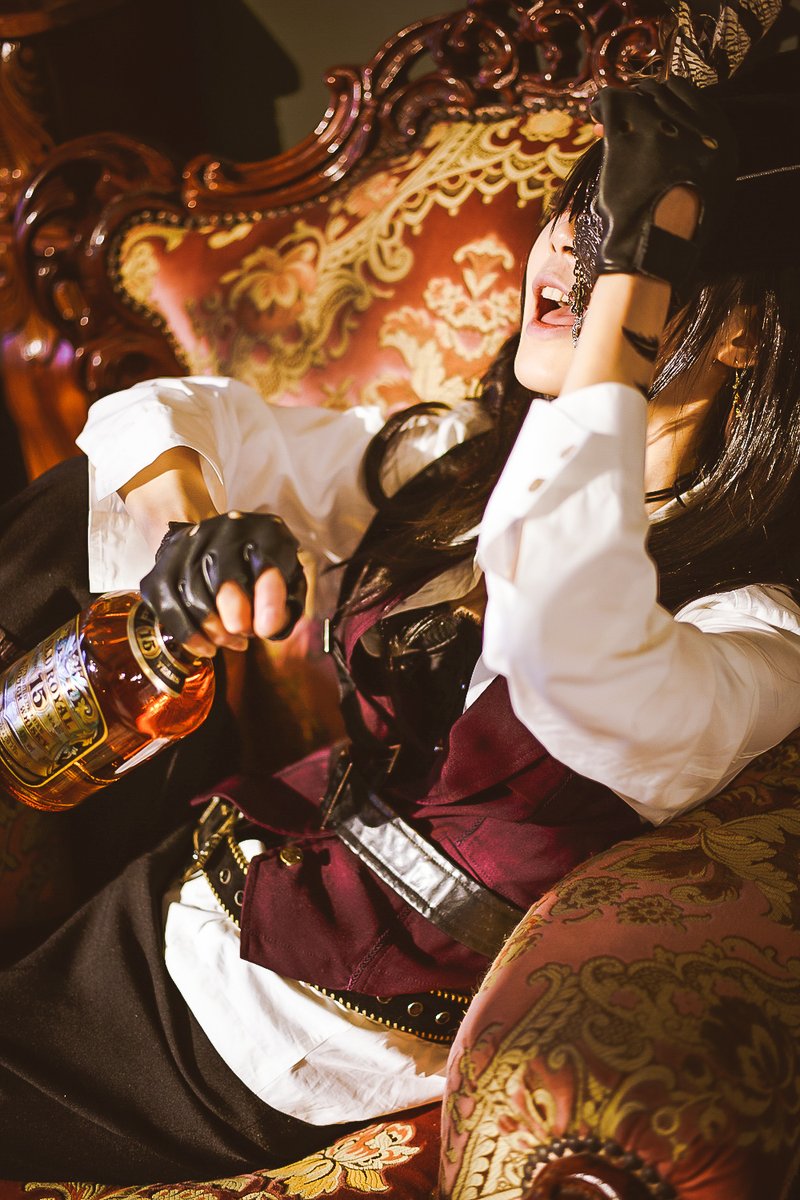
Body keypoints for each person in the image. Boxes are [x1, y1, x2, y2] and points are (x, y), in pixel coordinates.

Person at [1, 56, 800, 1184]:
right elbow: (161, 417)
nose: (574, 255)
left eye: (630, 242)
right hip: (193, 872)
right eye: (577, 215)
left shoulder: (755, 632)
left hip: (276, 1027)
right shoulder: (462, 459)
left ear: (746, 332)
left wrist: (623, 300)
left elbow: (559, 629)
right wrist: (196, 538)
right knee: (73, 513)